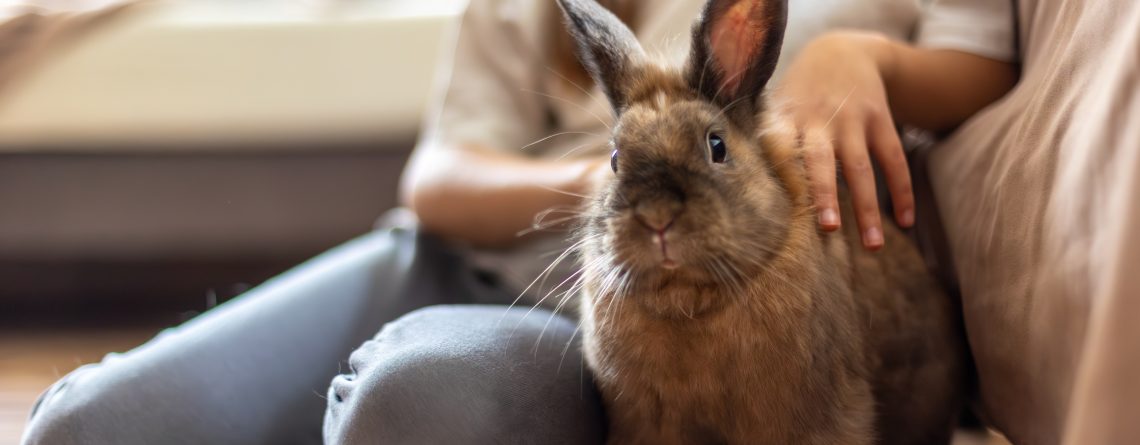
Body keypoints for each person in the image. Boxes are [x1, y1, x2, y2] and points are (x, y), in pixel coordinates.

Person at [21, 0, 1017, 444]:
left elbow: (985, 56)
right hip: (473, 255)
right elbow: (437, 175)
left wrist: (864, 57)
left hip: (578, 321)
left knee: (408, 411)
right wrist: (622, 180)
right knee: (81, 428)